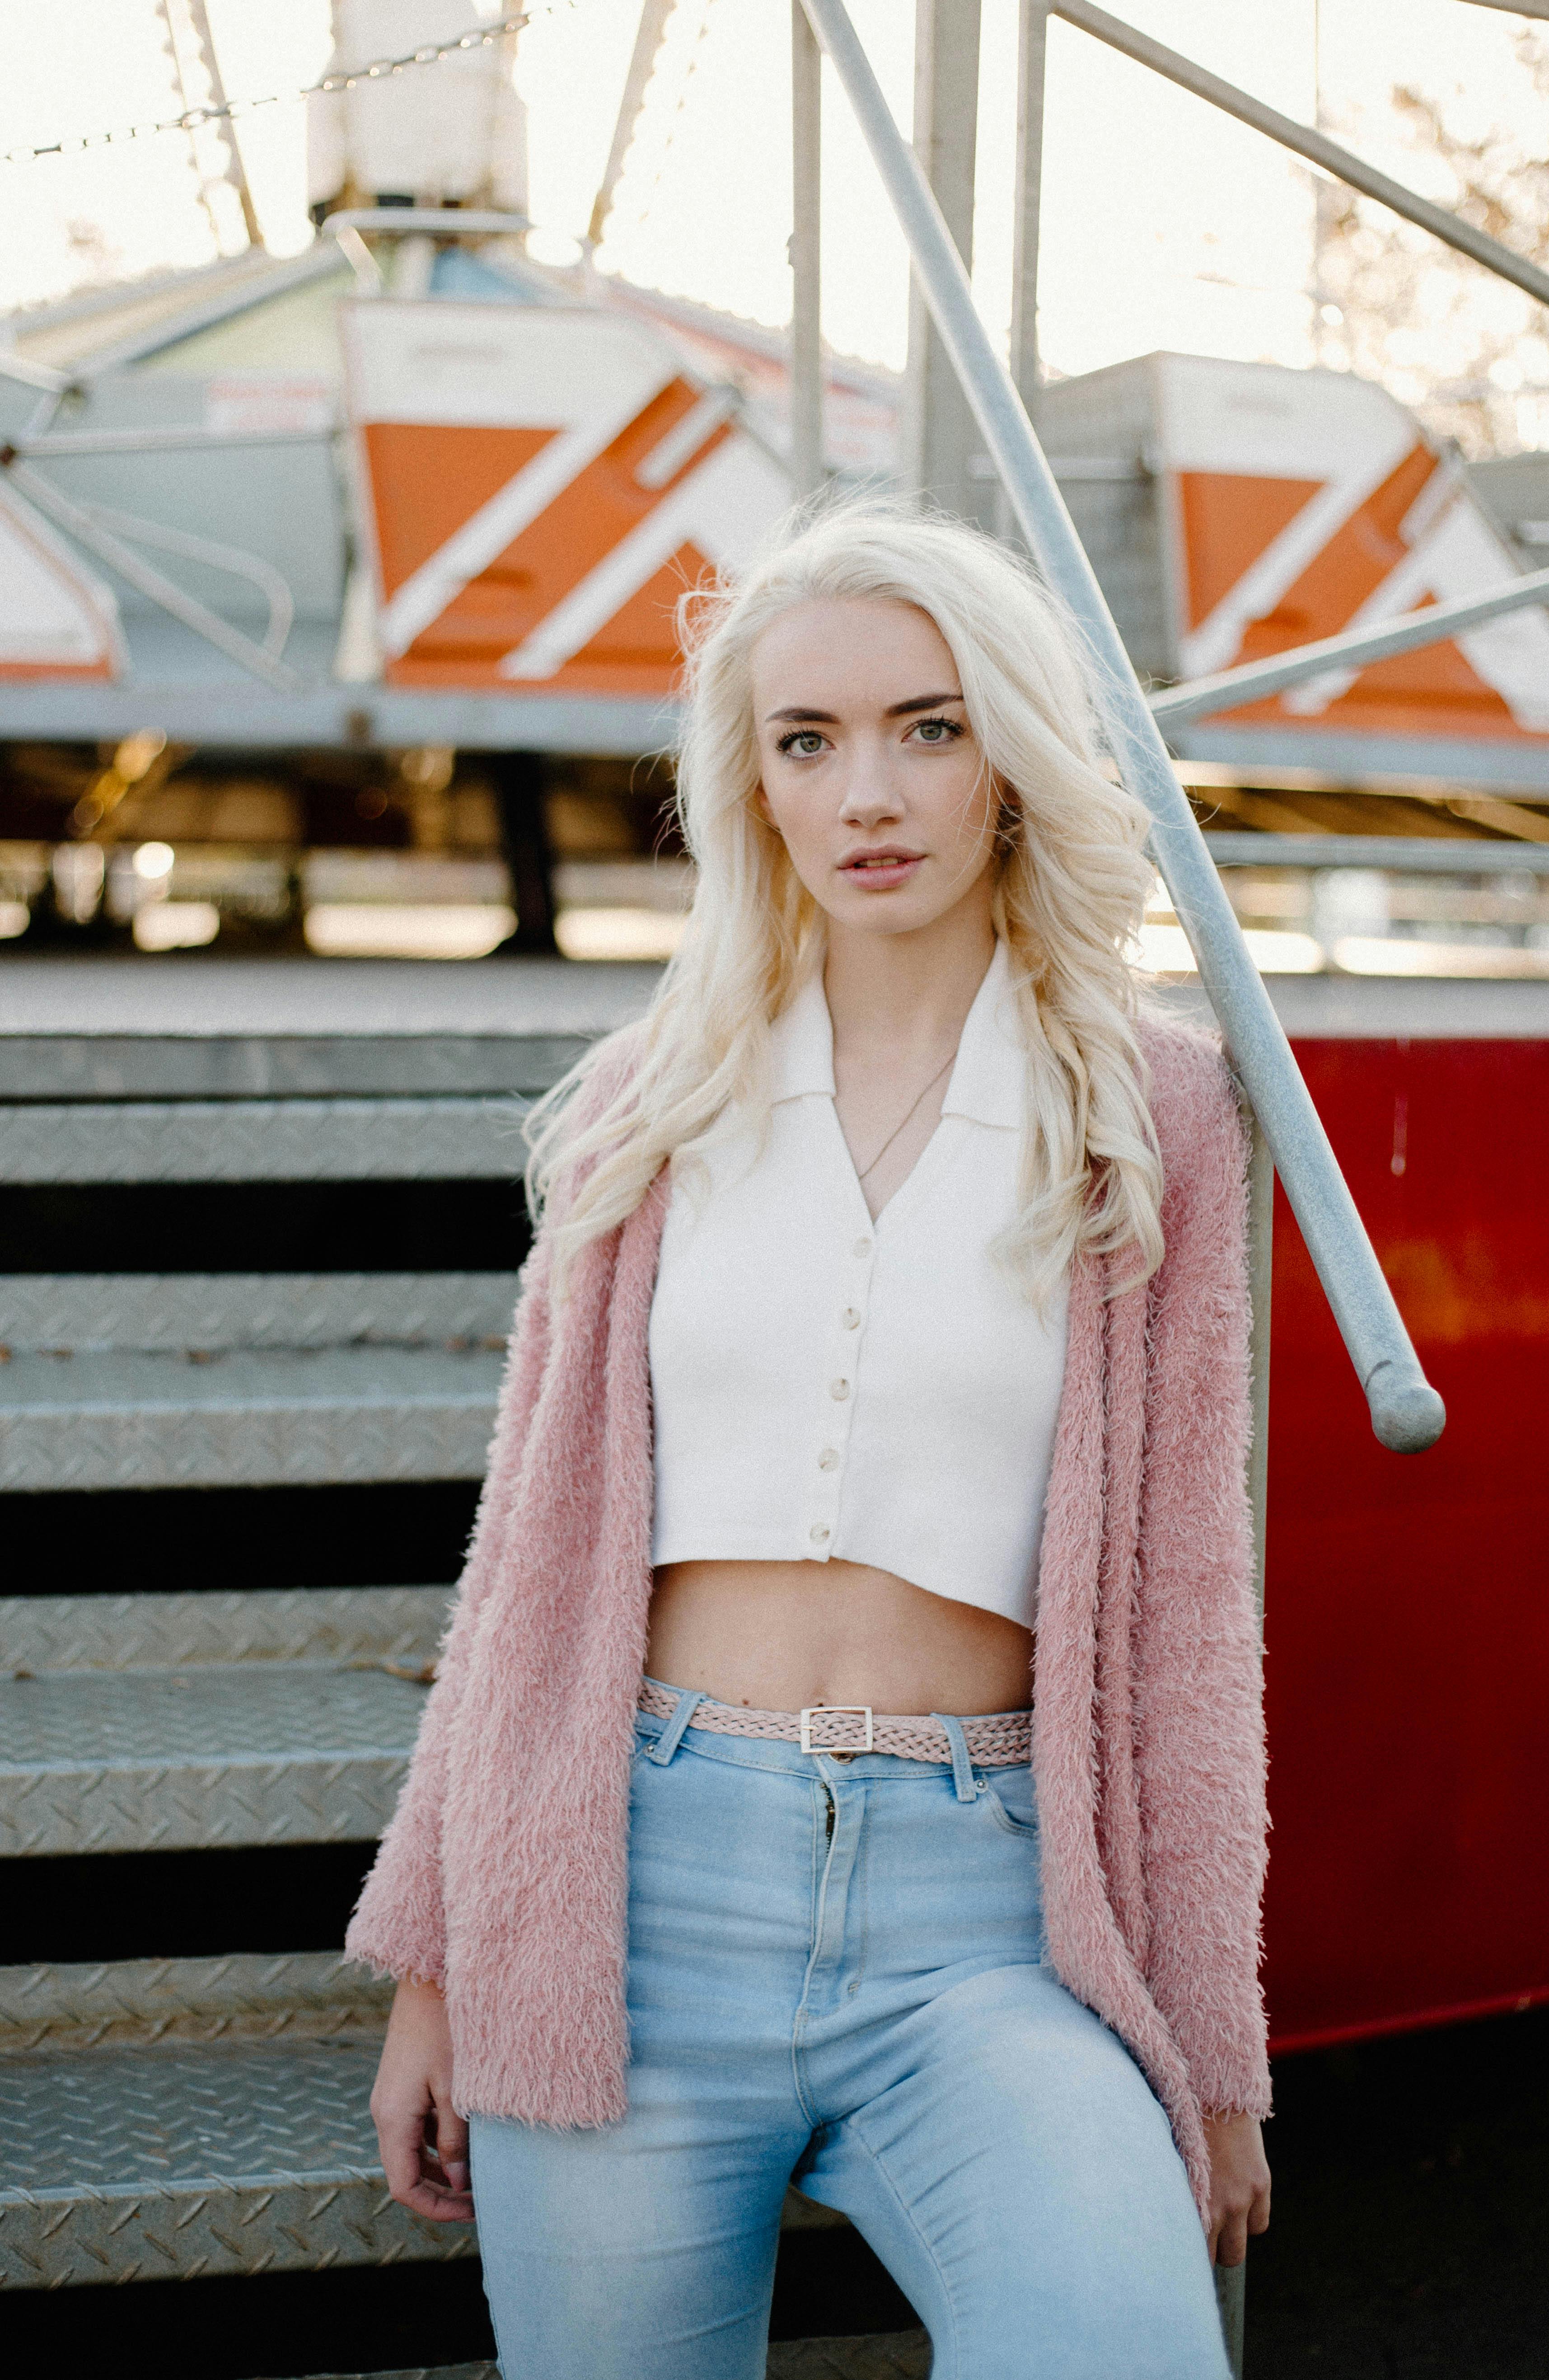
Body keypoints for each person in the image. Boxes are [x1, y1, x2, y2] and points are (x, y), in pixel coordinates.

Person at [349, 503, 1272, 2380]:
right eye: (806, 740)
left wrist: (1215, 2052)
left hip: (986, 1917)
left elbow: (1186, 1620)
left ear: (1010, 756)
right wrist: (441, 1957)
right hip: (631, 1895)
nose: (868, 792)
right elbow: (522, 1560)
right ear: (750, 783)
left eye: (926, 727)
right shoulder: (649, 1098)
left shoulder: (1147, 1116)